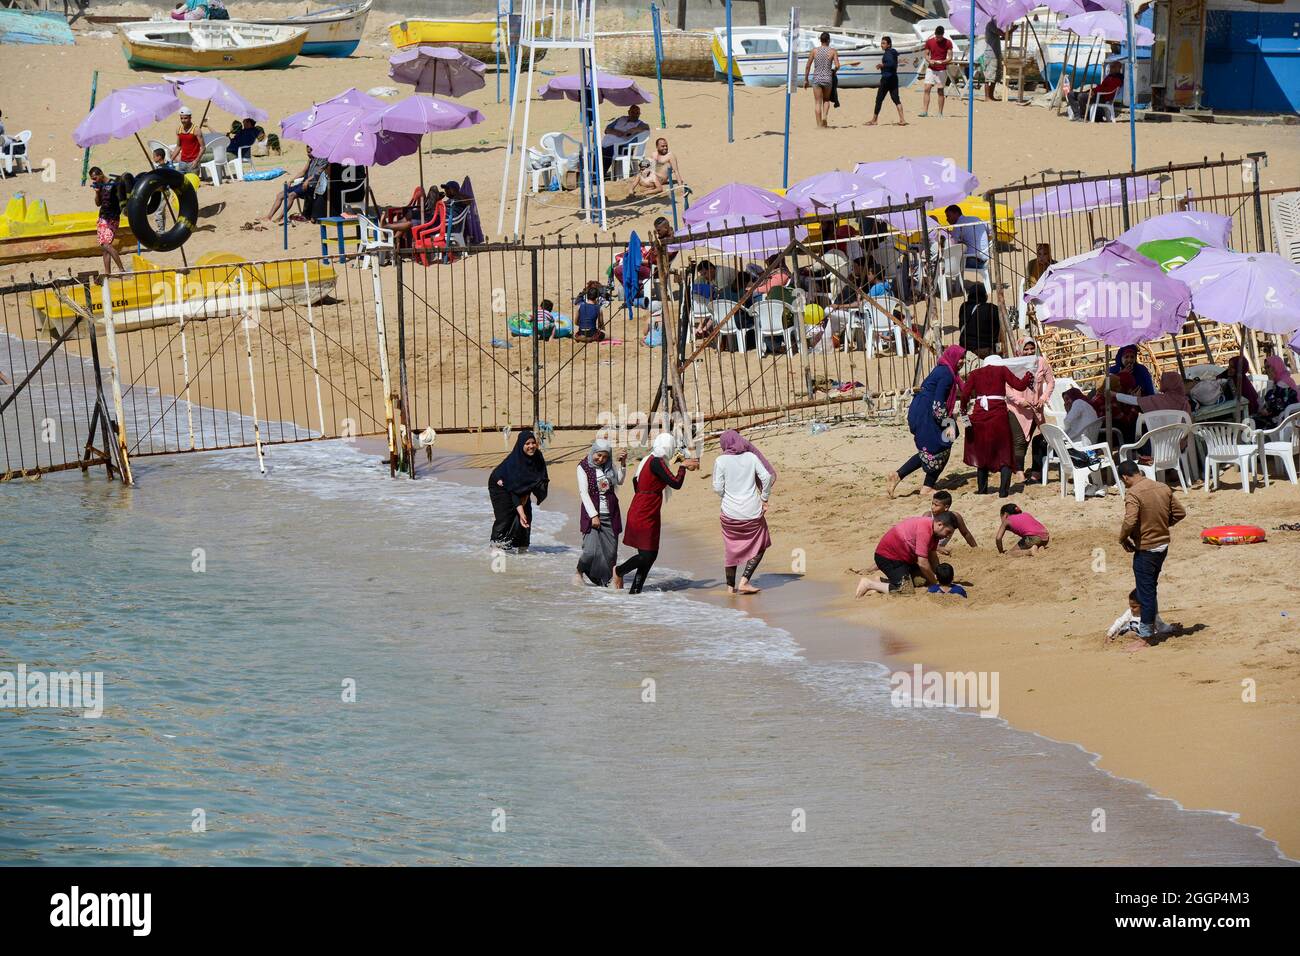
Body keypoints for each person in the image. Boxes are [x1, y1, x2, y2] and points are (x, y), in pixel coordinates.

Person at [616, 433, 700, 593]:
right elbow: (676, 483)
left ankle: (635, 591)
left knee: (650, 554)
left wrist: (648, 495)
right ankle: (619, 570)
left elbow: (636, 483)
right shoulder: (657, 462)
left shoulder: (649, 460)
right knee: (647, 554)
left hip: (645, 508)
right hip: (645, 511)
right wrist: (682, 467)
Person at [1117, 459, 1186, 641]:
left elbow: (1130, 520)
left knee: (1145, 590)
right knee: (1150, 586)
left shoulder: (1133, 493)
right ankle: (1157, 624)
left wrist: (1123, 538)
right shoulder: (1162, 487)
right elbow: (1180, 513)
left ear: (1125, 477)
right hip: (1163, 545)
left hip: (1146, 547)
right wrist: (1162, 524)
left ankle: (1147, 634)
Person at [888, 345, 967, 497]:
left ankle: (900, 476)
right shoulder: (947, 374)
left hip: (923, 409)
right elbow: (938, 402)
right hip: (928, 413)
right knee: (942, 445)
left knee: (931, 450)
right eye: (960, 358)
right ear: (953, 357)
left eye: (963, 358)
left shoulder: (946, 370)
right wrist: (947, 423)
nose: (962, 361)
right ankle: (925, 485)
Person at [713, 430, 776, 594]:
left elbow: (717, 488)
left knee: (731, 548)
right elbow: (767, 478)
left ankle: (729, 587)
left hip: (729, 512)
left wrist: (727, 495)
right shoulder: (751, 457)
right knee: (761, 544)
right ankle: (744, 581)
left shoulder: (720, 461)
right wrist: (764, 498)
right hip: (752, 511)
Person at [961, 356, 1034, 496]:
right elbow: (1019, 385)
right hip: (999, 417)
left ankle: (982, 490)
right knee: (1004, 452)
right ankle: (1003, 491)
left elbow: (965, 395)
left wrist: (964, 414)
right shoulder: (1002, 370)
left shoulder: (975, 373)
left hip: (979, 416)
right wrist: (1028, 375)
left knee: (982, 453)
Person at [857, 512, 958, 596]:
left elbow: (932, 556)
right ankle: (869, 584)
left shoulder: (935, 533)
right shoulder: (925, 530)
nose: (947, 536)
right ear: (940, 524)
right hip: (888, 557)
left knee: (921, 580)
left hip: (904, 559)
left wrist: (939, 575)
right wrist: (935, 583)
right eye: (948, 532)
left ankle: (881, 582)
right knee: (906, 590)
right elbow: (922, 562)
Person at [574, 438, 627, 586]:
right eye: (598, 455)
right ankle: (579, 572)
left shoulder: (609, 467)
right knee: (589, 551)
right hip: (592, 515)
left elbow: (620, 481)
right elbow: (583, 493)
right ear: (593, 452)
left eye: (605, 456)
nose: (601, 459)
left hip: (611, 513)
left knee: (610, 554)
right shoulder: (583, 467)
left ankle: (605, 581)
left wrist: (623, 464)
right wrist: (594, 516)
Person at [489, 429, 549, 551]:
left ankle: (522, 551)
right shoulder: (515, 463)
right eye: (527, 444)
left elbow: (539, 478)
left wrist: (529, 494)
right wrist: (520, 512)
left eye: (533, 443)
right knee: (505, 519)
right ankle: (496, 550)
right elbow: (514, 490)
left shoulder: (537, 456)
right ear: (521, 445)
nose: (531, 446)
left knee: (527, 518)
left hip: (519, 488)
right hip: (500, 485)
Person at [1006, 336, 1054, 482]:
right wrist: (1020, 401)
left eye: (1032, 348)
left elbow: (1051, 382)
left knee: (1040, 438)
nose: (1029, 351)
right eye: (1026, 349)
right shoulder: (1013, 364)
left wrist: (1044, 398)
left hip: (1035, 408)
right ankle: (1019, 470)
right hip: (1017, 408)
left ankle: (1036, 472)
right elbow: (1007, 388)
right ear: (1020, 350)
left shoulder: (1040, 362)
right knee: (1020, 439)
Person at [266, 147, 327, 223]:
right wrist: (291, 181)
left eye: (309, 152)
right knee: (280, 195)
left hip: (312, 186)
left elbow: (318, 173)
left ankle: (280, 217)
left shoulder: (323, 160)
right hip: (303, 183)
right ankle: (269, 217)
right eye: (307, 152)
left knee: (291, 195)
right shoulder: (310, 159)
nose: (308, 154)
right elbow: (303, 172)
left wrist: (308, 180)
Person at [88, 167, 127, 277]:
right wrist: (97, 193)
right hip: (102, 217)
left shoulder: (114, 185)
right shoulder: (99, 186)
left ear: (101, 174)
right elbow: (98, 203)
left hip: (112, 219)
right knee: (104, 248)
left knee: (106, 244)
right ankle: (107, 273)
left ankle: (121, 269)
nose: (94, 181)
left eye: (95, 178)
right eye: (92, 179)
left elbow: (122, 198)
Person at [1106, 589, 1175, 642]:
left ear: (1144, 606)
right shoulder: (1129, 612)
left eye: (1134, 607)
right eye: (1130, 606)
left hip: (1143, 636)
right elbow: (1120, 621)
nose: (1131, 609)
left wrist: (1172, 629)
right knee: (1126, 631)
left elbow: (1161, 626)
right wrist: (1109, 634)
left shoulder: (1150, 615)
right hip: (1129, 632)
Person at [868, 34, 906, 126]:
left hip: (886, 79)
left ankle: (874, 120)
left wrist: (882, 65)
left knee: (879, 99)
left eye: (884, 43)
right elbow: (894, 62)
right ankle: (902, 119)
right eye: (881, 43)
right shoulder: (893, 52)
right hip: (894, 78)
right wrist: (901, 61)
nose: (882, 45)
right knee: (896, 99)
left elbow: (891, 63)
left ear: (889, 45)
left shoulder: (888, 53)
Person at [600, 105, 650, 176]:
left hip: (622, 147)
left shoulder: (639, 124)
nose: (635, 115)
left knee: (607, 152)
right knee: (597, 151)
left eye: (637, 113)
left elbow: (646, 128)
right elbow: (607, 129)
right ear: (629, 112)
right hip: (607, 142)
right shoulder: (621, 119)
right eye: (633, 112)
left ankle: (601, 174)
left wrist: (634, 129)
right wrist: (616, 132)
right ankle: (596, 174)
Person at [804, 32, 840, 128]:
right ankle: (824, 117)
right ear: (828, 40)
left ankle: (819, 124)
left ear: (820, 40)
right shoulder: (833, 51)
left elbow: (808, 66)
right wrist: (834, 71)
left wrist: (806, 79)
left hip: (817, 78)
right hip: (828, 78)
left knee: (817, 102)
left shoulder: (814, 51)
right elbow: (837, 65)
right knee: (826, 100)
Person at [957, 282, 1000, 357]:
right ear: (984, 295)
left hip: (965, 349)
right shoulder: (992, 308)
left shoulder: (964, 307)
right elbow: (998, 331)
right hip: (985, 350)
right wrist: (999, 351)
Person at [919, 25, 953, 118]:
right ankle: (925, 111)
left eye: (940, 37)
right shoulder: (930, 42)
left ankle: (940, 112)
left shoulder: (948, 42)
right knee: (927, 88)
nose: (938, 38)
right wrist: (930, 60)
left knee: (940, 90)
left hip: (942, 69)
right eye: (937, 36)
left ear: (943, 35)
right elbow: (926, 54)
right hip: (931, 67)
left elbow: (950, 57)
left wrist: (943, 61)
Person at [930, 490, 978, 555]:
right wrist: (937, 547)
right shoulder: (928, 516)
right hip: (929, 549)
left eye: (936, 505)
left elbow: (966, 533)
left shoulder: (955, 517)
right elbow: (921, 540)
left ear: (946, 507)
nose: (932, 507)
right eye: (932, 504)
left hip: (940, 551)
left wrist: (976, 549)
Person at [944, 204, 990, 272]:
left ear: (956, 214)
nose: (947, 219)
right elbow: (990, 230)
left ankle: (952, 282)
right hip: (986, 258)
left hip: (974, 260)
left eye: (948, 216)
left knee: (947, 264)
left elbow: (952, 244)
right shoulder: (975, 218)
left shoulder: (958, 224)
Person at [1256, 355, 1299, 428]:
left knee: (1252, 422)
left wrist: (1266, 410)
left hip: (1287, 417)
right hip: (1283, 414)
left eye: (1268, 367)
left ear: (1276, 366)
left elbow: (1278, 404)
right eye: (1265, 368)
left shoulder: (1283, 382)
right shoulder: (1280, 380)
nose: (1266, 370)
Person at [169, 106, 205, 175]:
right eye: (181, 118)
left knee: (192, 184)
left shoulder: (196, 130)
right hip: (182, 162)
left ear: (190, 118)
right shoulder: (179, 130)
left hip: (193, 162)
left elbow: (203, 148)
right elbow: (178, 146)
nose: (183, 120)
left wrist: (196, 161)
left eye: (185, 118)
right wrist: (171, 160)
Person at [984, 21, 1004, 102]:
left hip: (995, 54)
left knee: (995, 76)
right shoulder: (991, 24)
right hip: (991, 54)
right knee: (990, 76)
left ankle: (991, 96)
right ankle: (987, 97)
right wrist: (1011, 30)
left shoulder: (993, 25)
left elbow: (1002, 35)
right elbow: (1001, 33)